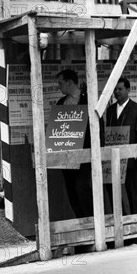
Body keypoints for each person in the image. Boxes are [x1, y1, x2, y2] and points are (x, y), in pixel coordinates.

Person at [105, 77, 137, 214]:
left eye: (120, 89)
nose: (117, 92)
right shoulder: (111, 110)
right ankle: (120, 220)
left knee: (133, 193)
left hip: (131, 160)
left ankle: (136, 223)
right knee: (114, 193)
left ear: (128, 90)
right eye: (115, 89)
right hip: (114, 159)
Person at [55, 69, 95, 218]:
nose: (59, 87)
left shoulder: (88, 100)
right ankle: (80, 222)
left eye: (61, 83)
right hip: (66, 155)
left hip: (85, 154)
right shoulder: (60, 103)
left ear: (70, 83)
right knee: (71, 189)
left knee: (82, 187)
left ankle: (91, 220)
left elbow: (98, 126)